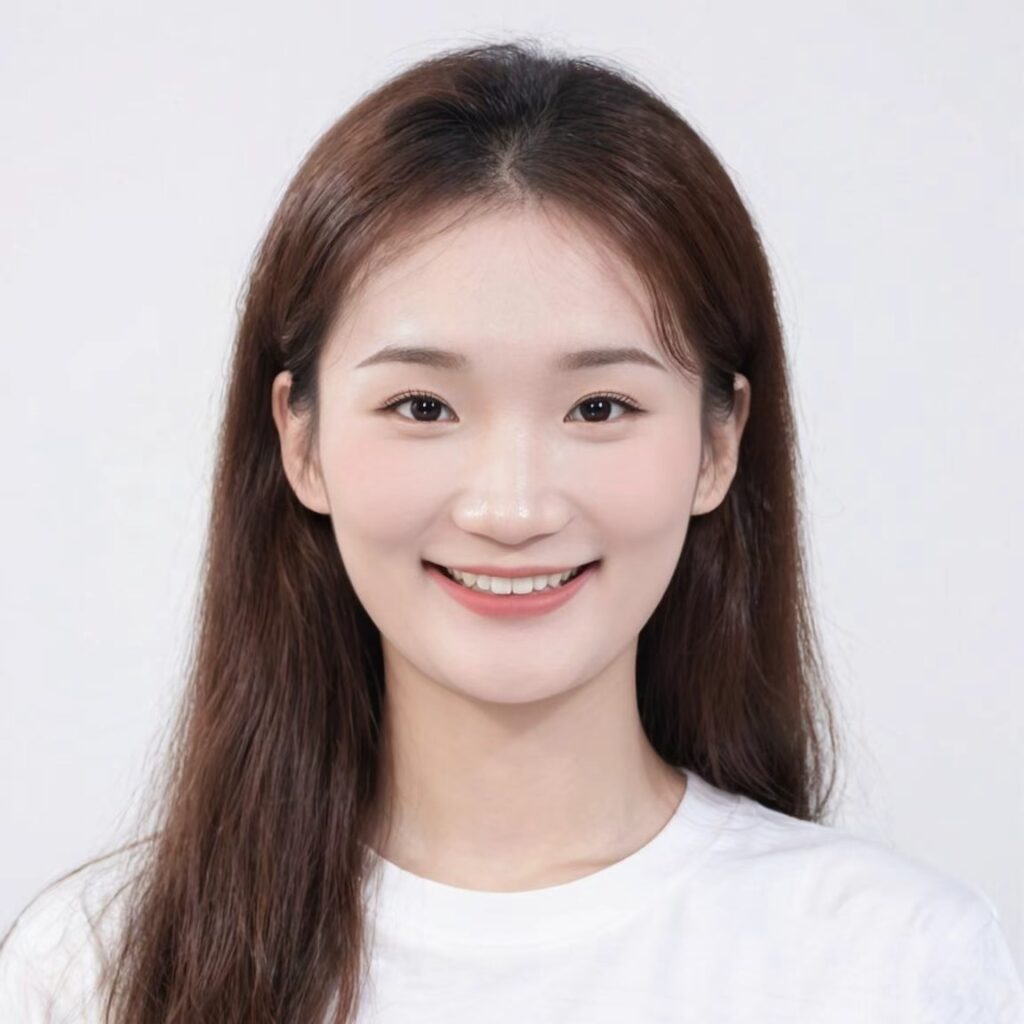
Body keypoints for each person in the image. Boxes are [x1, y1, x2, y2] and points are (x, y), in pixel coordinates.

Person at [1, 37, 1021, 1024]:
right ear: (300, 443)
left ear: (719, 444)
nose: (513, 509)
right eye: (423, 407)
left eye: (599, 408)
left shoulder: (893, 965)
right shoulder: (94, 969)